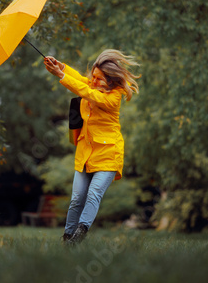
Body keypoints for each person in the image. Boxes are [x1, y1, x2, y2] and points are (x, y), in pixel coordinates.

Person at [43, 49, 141, 245]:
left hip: (108, 154)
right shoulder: (94, 85)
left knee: (94, 193)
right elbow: (79, 79)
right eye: (93, 77)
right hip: (86, 152)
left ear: (110, 81)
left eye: (98, 79)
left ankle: (80, 234)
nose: (93, 81)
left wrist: (60, 76)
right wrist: (60, 66)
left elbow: (84, 91)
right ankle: (67, 238)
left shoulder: (112, 98)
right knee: (76, 198)